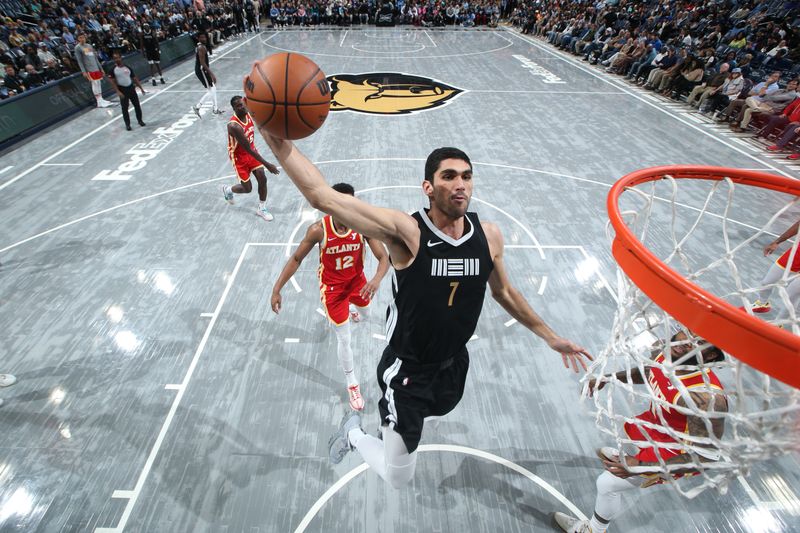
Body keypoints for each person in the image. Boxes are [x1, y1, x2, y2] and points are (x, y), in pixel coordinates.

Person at [258, 133, 592, 488]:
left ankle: (398, 427)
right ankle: (353, 434)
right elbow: (322, 196)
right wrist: (271, 134)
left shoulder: (489, 235)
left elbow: (504, 291)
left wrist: (551, 337)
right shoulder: (408, 232)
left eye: (466, 175)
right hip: (408, 374)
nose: (460, 184)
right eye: (449, 176)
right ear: (428, 187)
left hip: (454, 362)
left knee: (436, 412)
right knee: (398, 477)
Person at [554, 330, 727, 533]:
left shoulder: (706, 399)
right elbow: (649, 371)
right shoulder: (666, 350)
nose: (687, 340)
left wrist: (641, 466)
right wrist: (608, 378)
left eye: (699, 340)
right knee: (625, 435)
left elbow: (706, 457)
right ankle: (625, 457)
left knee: (607, 484)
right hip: (658, 425)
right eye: (688, 331)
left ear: (711, 355)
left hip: (677, 452)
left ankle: (594, 529)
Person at [271, 183, 390, 410]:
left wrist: (375, 280)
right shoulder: (319, 230)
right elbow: (296, 259)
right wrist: (277, 289)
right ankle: (352, 383)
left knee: (365, 314)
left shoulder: (362, 225)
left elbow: (383, 258)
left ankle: (354, 311)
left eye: (351, 203)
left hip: (358, 283)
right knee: (344, 338)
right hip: (333, 290)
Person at [222, 95, 280, 220]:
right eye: (238, 106)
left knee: (262, 178)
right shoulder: (234, 126)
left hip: (251, 151)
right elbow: (248, 149)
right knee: (247, 189)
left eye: (242, 104)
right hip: (239, 157)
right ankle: (228, 189)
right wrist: (267, 164)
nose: (242, 107)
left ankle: (262, 208)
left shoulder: (247, 112)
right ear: (234, 109)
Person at [748, 219, 800, 317]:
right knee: (767, 282)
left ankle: (779, 323)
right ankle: (762, 304)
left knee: (792, 293)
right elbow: (798, 224)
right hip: (797, 253)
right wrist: (777, 242)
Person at [106, 52, 147, 131]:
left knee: (137, 105)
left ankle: (140, 120)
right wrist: (118, 91)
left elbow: (134, 78)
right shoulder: (112, 70)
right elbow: (112, 82)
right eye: (115, 58)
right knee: (125, 108)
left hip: (131, 88)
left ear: (121, 58)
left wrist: (141, 88)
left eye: (118, 57)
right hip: (122, 90)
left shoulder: (127, 68)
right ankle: (127, 124)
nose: (117, 59)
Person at [74, 32, 114, 108]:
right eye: (80, 38)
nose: (82, 39)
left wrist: (101, 68)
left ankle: (101, 99)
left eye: (83, 37)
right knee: (95, 83)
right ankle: (98, 101)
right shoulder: (78, 48)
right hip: (89, 69)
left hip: (96, 67)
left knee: (98, 83)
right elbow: (80, 61)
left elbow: (95, 58)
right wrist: (84, 71)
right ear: (78, 39)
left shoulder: (89, 46)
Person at [192, 32, 222, 116]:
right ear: (198, 38)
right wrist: (211, 74)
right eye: (202, 37)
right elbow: (202, 63)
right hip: (202, 70)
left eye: (204, 37)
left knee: (213, 89)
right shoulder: (201, 47)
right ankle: (197, 107)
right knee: (211, 91)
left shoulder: (200, 46)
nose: (204, 39)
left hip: (202, 70)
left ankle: (215, 109)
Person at [140, 23, 165, 87]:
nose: (146, 28)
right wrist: (143, 52)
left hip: (154, 50)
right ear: (144, 27)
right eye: (145, 27)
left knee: (157, 64)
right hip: (148, 51)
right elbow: (142, 44)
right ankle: (153, 79)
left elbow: (157, 41)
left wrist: (159, 50)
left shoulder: (153, 32)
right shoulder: (142, 34)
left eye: (147, 26)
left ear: (149, 27)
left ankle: (161, 77)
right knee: (151, 65)